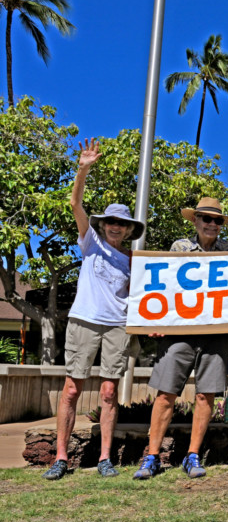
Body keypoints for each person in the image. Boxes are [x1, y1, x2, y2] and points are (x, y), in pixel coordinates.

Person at [43, 140, 146, 480]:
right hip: (84, 321)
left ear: (129, 229)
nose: (116, 226)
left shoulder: (133, 261)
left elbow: (145, 295)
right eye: (111, 221)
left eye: (123, 223)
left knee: (108, 391)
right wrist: (83, 168)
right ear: (104, 224)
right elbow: (75, 203)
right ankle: (60, 457)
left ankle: (105, 458)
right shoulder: (90, 241)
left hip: (117, 326)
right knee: (72, 388)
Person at [133, 197, 228, 480]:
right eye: (206, 218)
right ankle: (152, 456)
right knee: (166, 393)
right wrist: (154, 321)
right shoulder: (180, 248)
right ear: (195, 220)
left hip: (215, 334)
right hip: (179, 332)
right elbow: (164, 287)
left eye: (217, 220)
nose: (212, 224)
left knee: (206, 395)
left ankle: (192, 456)